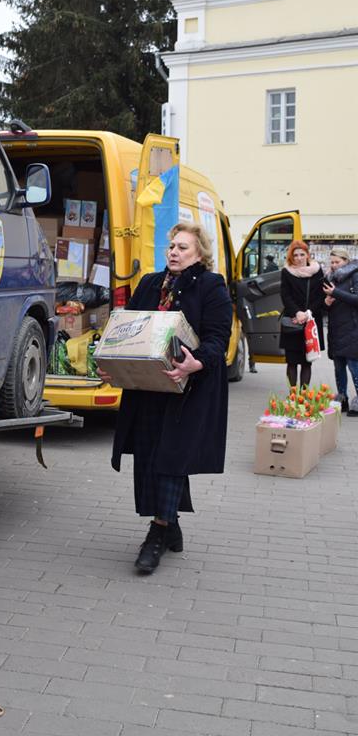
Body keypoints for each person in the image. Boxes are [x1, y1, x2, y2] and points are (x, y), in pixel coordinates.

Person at [107, 222, 233, 576]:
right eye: (172, 246)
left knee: (171, 457)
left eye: (183, 247)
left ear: (200, 253)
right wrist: (112, 363)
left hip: (187, 391)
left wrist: (197, 362)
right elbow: (125, 330)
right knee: (150, 456)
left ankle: (158, 533)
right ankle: (171, 524)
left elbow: (218, 338)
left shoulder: (211, 286)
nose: (174, 252)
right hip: (148, 390)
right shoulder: (150, 283)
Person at [279, 239, 325, 389]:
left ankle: (304, 396)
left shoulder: (317, 271)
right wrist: (297, 312)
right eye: (295, 255)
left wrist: (308, 312)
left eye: (302, 254)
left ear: (307, 255)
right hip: (293, 320)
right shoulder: (287, 272)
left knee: (307, 361)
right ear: (291, 257)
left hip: (311, 320)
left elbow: (321, 295)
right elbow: (285, 295)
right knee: (291, 362)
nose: (299, 258)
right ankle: (293, 396)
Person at [323, 246, 358, 415]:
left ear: (346, 261)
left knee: (354, 366)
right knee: (338, 368)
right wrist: (326, 303)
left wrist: (335, 292)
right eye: (332, 262)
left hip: (352, 328)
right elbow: (324, 307)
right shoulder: (330, 278)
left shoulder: (355, 275)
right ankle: (342, 398)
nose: (334, 265)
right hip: (335, 329)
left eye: (337, 262)